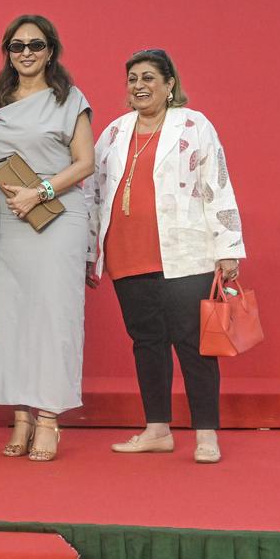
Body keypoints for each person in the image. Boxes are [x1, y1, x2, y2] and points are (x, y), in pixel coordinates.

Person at [86, 49, 245, 464]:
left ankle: (205, 433)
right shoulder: (115, 132)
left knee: (193, 345)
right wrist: (90, 253)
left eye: (149, 78)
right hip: (126, 254)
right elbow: (93, 193)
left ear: (170, 84)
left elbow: (218, 183)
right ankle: (157, 428)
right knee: (147, 343)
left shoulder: (194, 126)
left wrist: (228, 247)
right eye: (133, 79)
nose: (139, 86)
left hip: (185, 254)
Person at [0, 14, 94, 461]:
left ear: (51, 50)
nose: (26, 52)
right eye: (17, 45)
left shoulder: (70, 98)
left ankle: (48, 419)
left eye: (35, 44)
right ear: (7, 53)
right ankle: (21, 416)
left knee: (54, 317)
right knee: (10, 318)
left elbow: (84, 162)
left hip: (57, 213)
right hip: (8, 219)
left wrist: (41, 191)